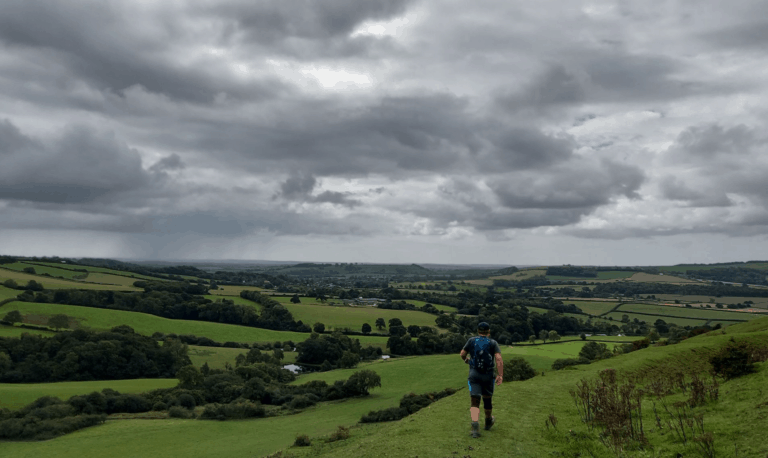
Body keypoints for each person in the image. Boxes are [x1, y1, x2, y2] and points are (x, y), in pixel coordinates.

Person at [460, 321, 503, 438]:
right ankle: (488, 421)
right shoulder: (493, 343)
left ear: (478, 331)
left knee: (474, 400)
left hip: (474, 374)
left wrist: (467, 360)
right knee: (487, 399)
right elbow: (498, 358)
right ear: (488, 331)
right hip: (488, 375)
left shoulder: (471, 341)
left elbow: (462, 354)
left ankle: (475, 427)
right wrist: (500, 375)